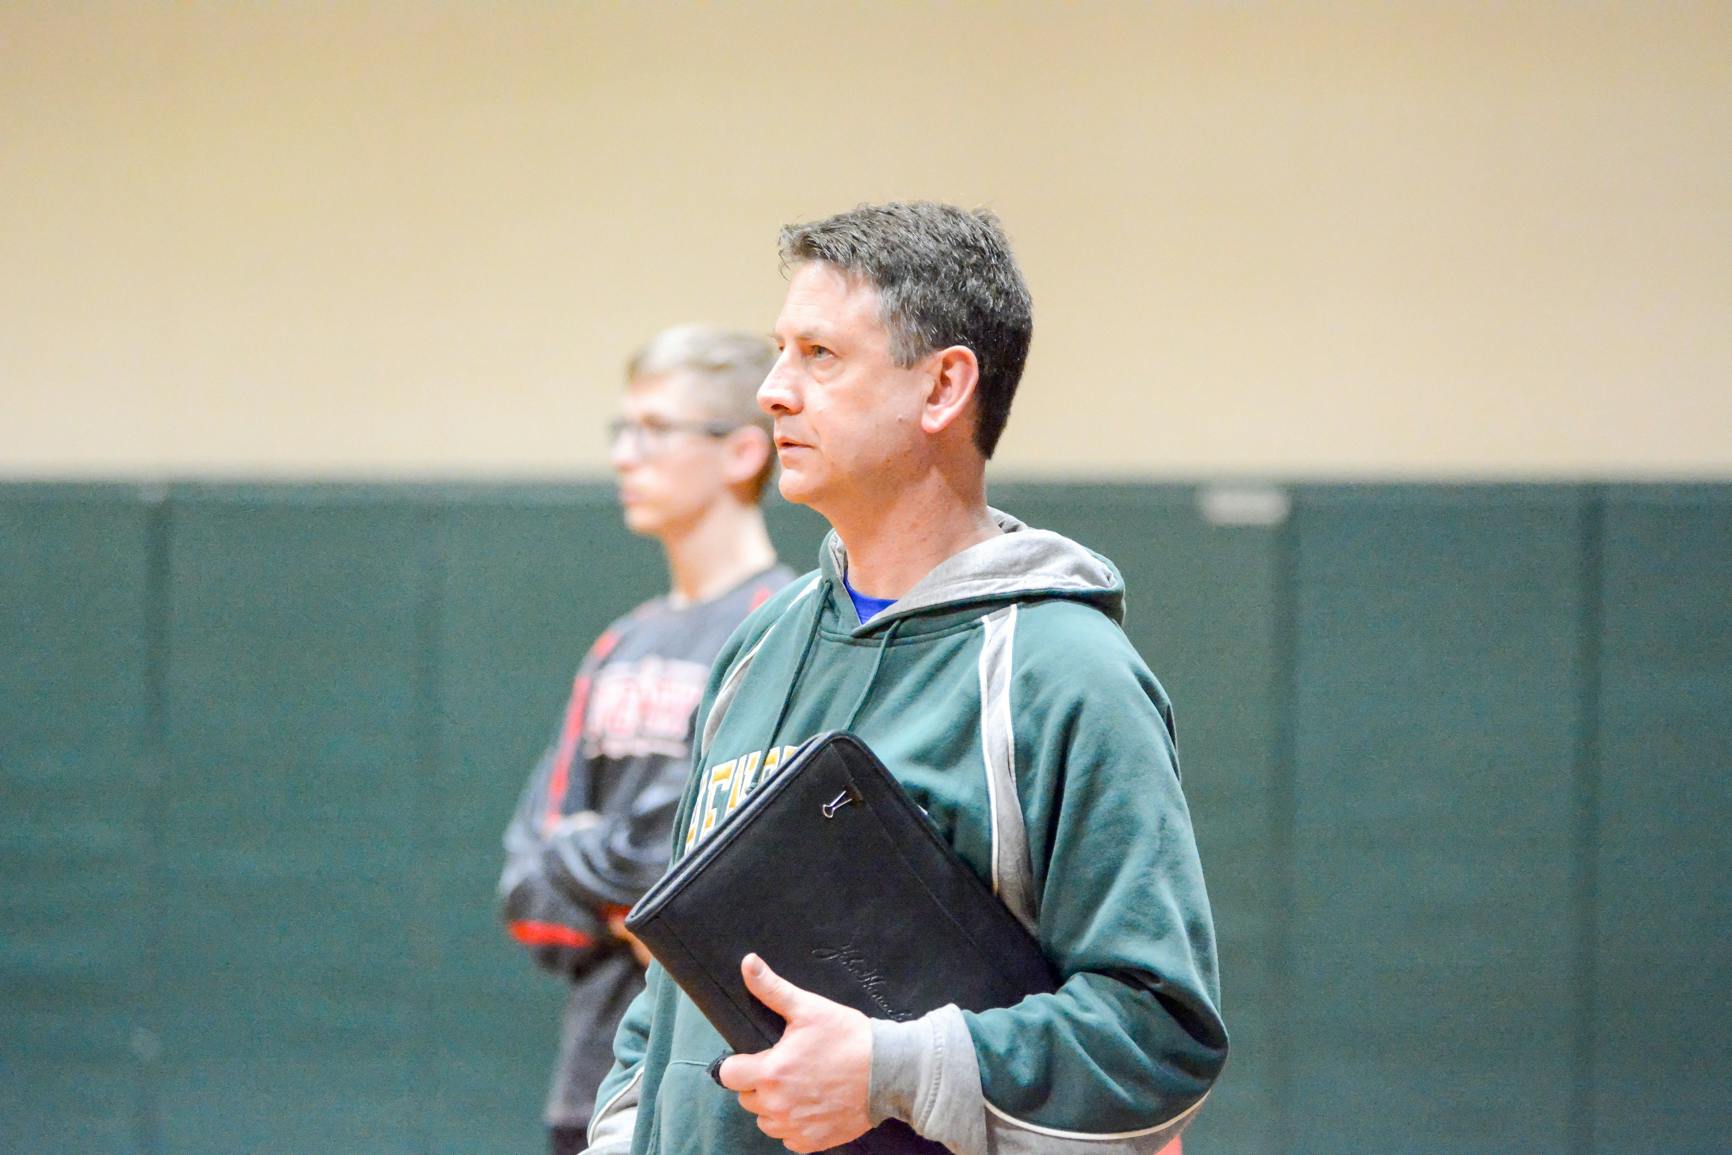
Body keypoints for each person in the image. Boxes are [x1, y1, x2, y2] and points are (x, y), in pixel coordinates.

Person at [584, 203, 1228, 1155]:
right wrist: (619, 1136)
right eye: (779, 351)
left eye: (820, 355)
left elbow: (1156, 1036)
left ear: (943, 388)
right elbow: (676, 988)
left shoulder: (1067, 673)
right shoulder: (758, 646)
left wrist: (894, 1069)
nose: (772, 390)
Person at [499, 325, 797, 1155]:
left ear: (742, 452)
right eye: (622, 429)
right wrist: (630, 896)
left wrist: (599, 861)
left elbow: (704, 865)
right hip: (587, 1081)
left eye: (655, 429)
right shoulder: (617, 645)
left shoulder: (781, 629)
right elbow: (526, 881)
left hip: (714, 1086)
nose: (624, 454)